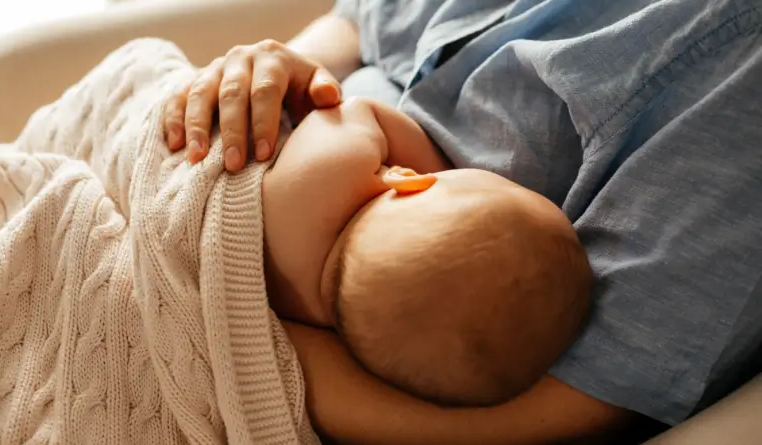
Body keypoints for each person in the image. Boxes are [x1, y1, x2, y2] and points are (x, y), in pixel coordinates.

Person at [165, 0, 762, 443]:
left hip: (208, 193)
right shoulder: (360, 309)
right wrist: (277, 63)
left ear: (406, 178)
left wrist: (240, 350)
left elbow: (350, 113)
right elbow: (360, 22)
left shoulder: (739, 75)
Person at [263, 96, 592, 406]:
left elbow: (353, 111)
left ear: (410, 181)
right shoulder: (318, 322)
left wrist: (430, 162)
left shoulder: (325, 182)